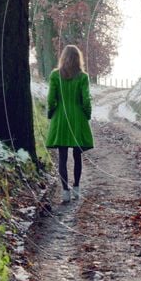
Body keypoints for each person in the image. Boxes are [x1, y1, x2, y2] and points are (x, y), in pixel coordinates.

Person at [46, 45, 94, 203]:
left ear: (63, 58)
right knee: (77, 156)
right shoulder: (83, 77)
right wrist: (86, 115)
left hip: (61, 118)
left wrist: (51, 112)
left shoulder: (55, 75)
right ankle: (77, 188)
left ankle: (65, 191)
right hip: (78, 119)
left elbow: (51, 99)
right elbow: (86, 100)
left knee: (62, 157)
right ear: (78, 58)